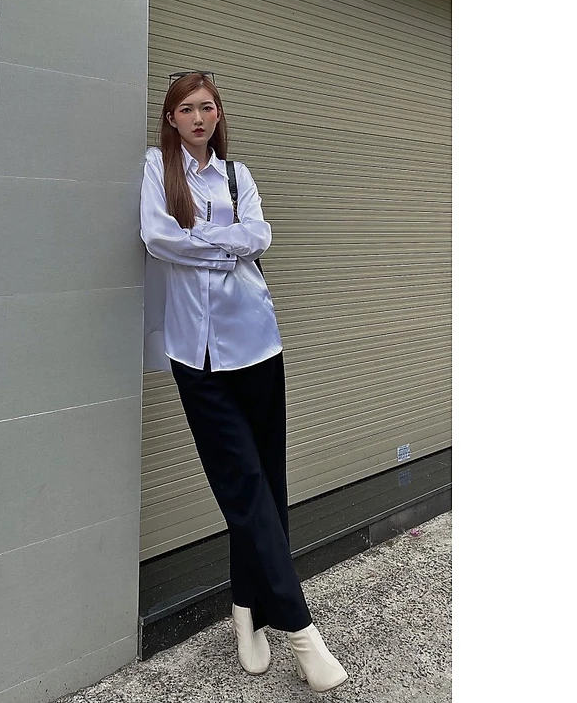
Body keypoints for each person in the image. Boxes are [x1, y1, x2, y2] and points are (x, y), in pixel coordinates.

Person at [139, 71, 348, 693]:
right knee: (243, 484)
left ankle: (245, 611)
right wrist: (228, 245)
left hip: (258, 345)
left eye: (207, 107)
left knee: (266, 484)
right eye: (186, 109)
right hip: (196, 357)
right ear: (171, 118)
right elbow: (158, 238)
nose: (198, 117)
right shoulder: (157, 168)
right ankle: (301, 631)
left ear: (218, 114)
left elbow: (261, 235)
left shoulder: (238, 175)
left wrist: (203, 239)